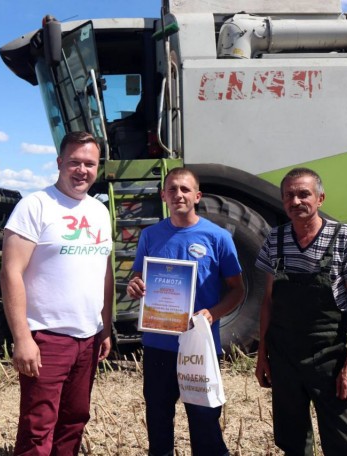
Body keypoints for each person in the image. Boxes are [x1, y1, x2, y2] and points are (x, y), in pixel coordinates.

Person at [1, 131, 113, 455]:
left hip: (88, 339)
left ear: (98, 168)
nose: (82, 170)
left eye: (89, 164)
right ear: (59, 162)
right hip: (47, 338)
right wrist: (22, 338)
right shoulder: (34, 207)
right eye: (74, 162)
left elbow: (103, 273)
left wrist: (105, 327)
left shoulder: (99, 212)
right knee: (38, 427)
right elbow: (11, 273)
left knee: (75, 420)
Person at [255, 167, 347, 455]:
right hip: (284, 358)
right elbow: (269, 303)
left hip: (329, 359)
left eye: (303, 194)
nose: (296, 201)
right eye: (289, 195)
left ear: (320, 198)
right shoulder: (276, 239)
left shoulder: (345, 238)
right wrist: (262, 356)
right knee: (293, 442)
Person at [126, 167, 245, 456]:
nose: (178, 194)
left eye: (185, 189)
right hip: (158, 345)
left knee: (205, 422)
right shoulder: (150, 236)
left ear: (197, 196)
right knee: (158, 419)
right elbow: (137, 278)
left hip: (199, 347)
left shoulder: (217, 238)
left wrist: (212, 314)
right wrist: (135, 286)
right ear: (163, 195)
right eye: (172, 189)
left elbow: (237, 290)